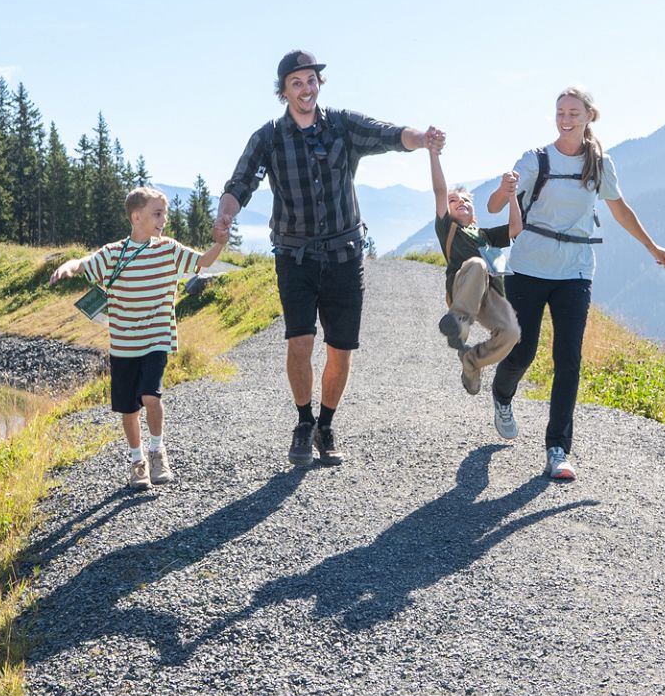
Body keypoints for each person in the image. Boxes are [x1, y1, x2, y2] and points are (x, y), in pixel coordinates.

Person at [215, 49, 444, 467]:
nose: (307, 89)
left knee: (340, 351)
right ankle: (303, 422)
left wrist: (422, 137)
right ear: (283, 91)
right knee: (300, 342)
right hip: (294, 257)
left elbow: (390, 135)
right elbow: (240, 182)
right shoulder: (268, 137)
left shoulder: (341, 125)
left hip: (344, 256)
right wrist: (226, 212)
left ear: (320, 84)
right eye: (297, 83)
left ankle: (326, 424)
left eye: (312, 81)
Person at [484, 86, 665, 482]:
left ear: (589, 116)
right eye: (560, 111)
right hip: (529, 267)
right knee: (523, 351)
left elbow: (620, 209)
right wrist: (505, 188)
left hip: (576, 272)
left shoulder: (599, 164)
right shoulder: (535, 159)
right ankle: (502, 393)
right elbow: (496, 207)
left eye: (573, 111)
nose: (565, 118)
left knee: (568, 359)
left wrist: (651, 246)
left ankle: (557, 449)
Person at [52, 186, 226, 492]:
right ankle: (137, 462)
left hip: (157, 338)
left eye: (165, 214)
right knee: (129, 409)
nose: (164, 219)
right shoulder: (113, 253)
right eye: (157, 214)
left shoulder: (169, 249)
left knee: (150, 395)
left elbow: (204, 262)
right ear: (137, 216)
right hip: (123, 345)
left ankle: (158, 452)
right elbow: (84, 263)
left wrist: (220, 243)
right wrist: (68, 266)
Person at [428, 146, 522, 396]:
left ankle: (472, 362)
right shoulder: (447, 228)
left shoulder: (484, 236)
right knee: (478, 264)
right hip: (461, 290)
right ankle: (459, 321)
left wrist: (512, 196)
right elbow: (439, 190)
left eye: (466, 201)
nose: (460, 203)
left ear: (475, 214)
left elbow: (515, 228)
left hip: (489, 295)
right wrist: (433, 153)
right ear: (446, 211)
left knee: (512, 333)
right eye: (453, 201)